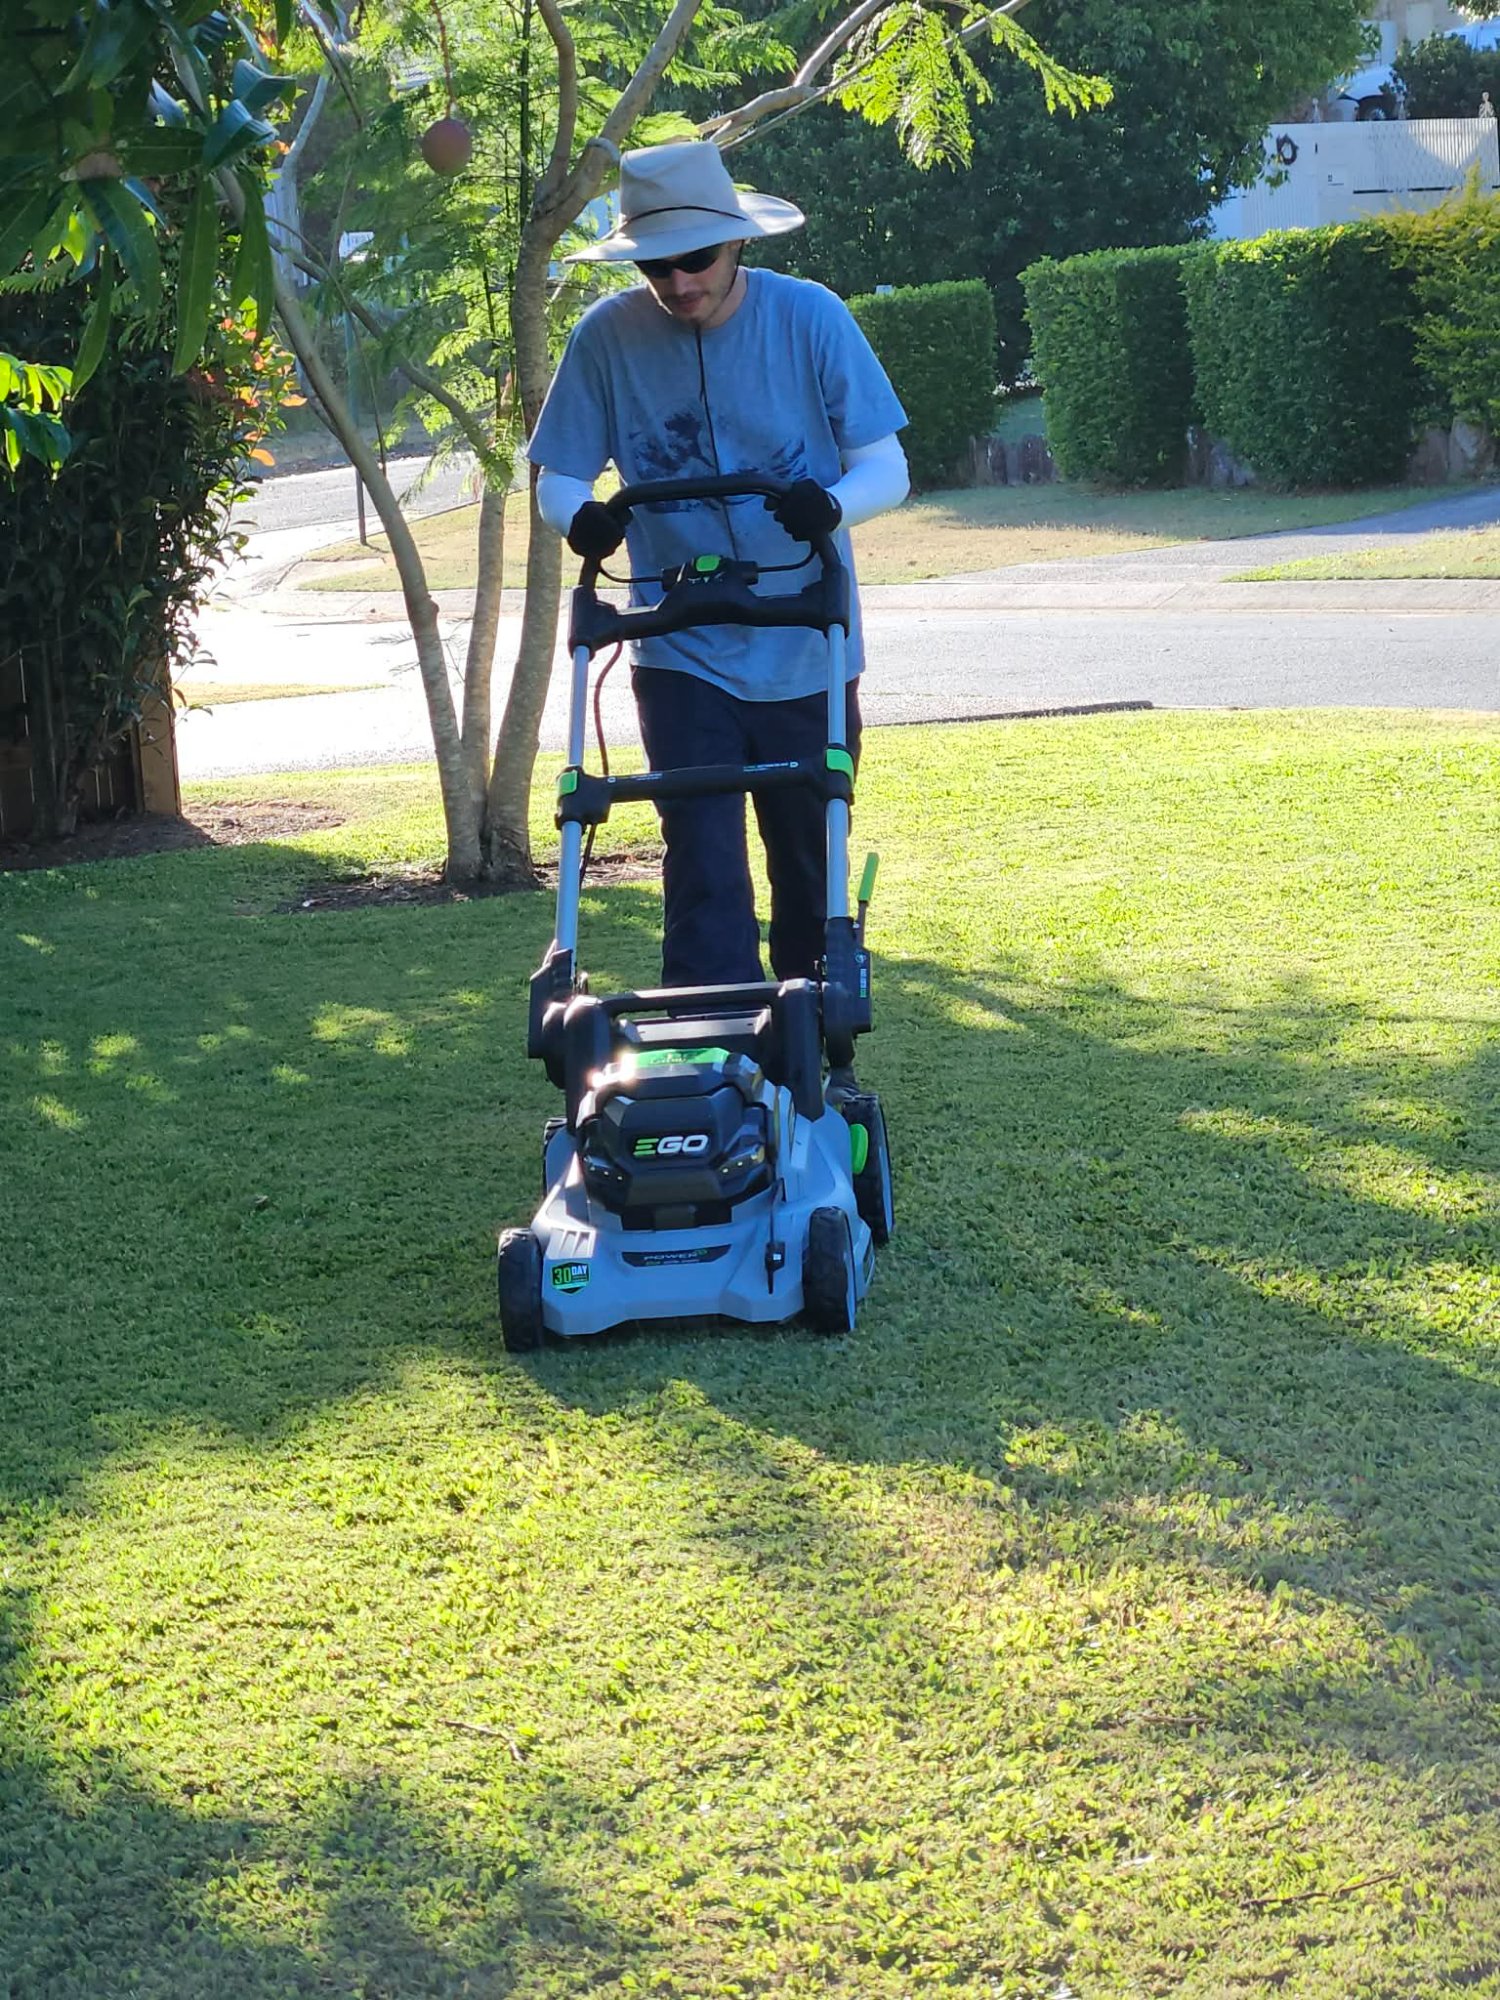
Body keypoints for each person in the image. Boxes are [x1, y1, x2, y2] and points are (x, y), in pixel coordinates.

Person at [528, 138, 910, 1005]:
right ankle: (712, 1041)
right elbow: (559, 475)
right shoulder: (606, 339)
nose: (679, 283)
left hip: (803, 644)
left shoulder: (811, 317)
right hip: (677, 646)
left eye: (695, 260)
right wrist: (579, 517)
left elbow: (886, 465)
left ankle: (814, 1034)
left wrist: (832, 506)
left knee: (808, 848)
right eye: (657, 266)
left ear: (737, 242)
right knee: (701, 857)